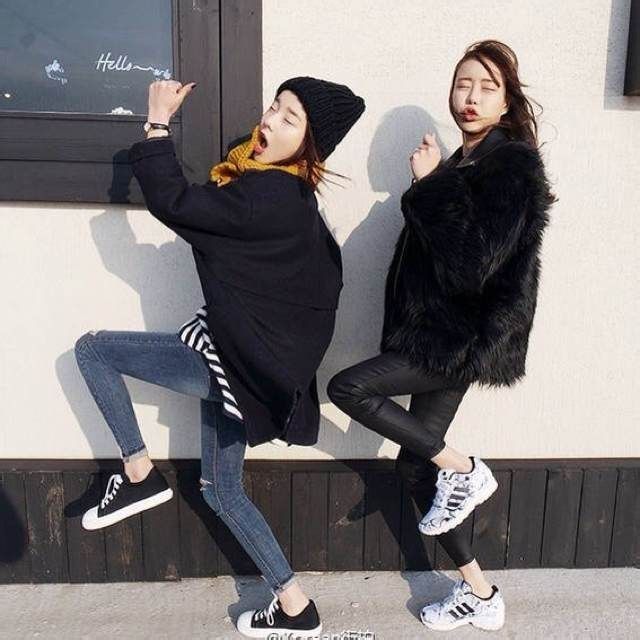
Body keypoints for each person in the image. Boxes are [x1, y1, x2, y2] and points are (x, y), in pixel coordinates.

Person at [74, 75, 365, 638]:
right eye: (274, 107)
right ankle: (296, 607)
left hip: (227, 363)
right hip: (246, 368)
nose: (269, 120)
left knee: (93, 352)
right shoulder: (294, 201)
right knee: (222, 489)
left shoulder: (265, 196)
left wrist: (157, 123)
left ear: (309, 148)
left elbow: (176, 202)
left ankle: (138, 472)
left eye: (289, 119)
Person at [327, 40, 556, 632]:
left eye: (486, 87)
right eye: (462, 84)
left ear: (506, 102)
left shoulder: (512, 165)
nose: (471, 97)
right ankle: (481, 592)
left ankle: (466, 468)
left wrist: (428, 186)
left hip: (460, 341)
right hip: (435, 335)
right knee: (414, 468)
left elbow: (472, 261)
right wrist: (435, 180)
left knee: (348, 388)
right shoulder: (463, 162)